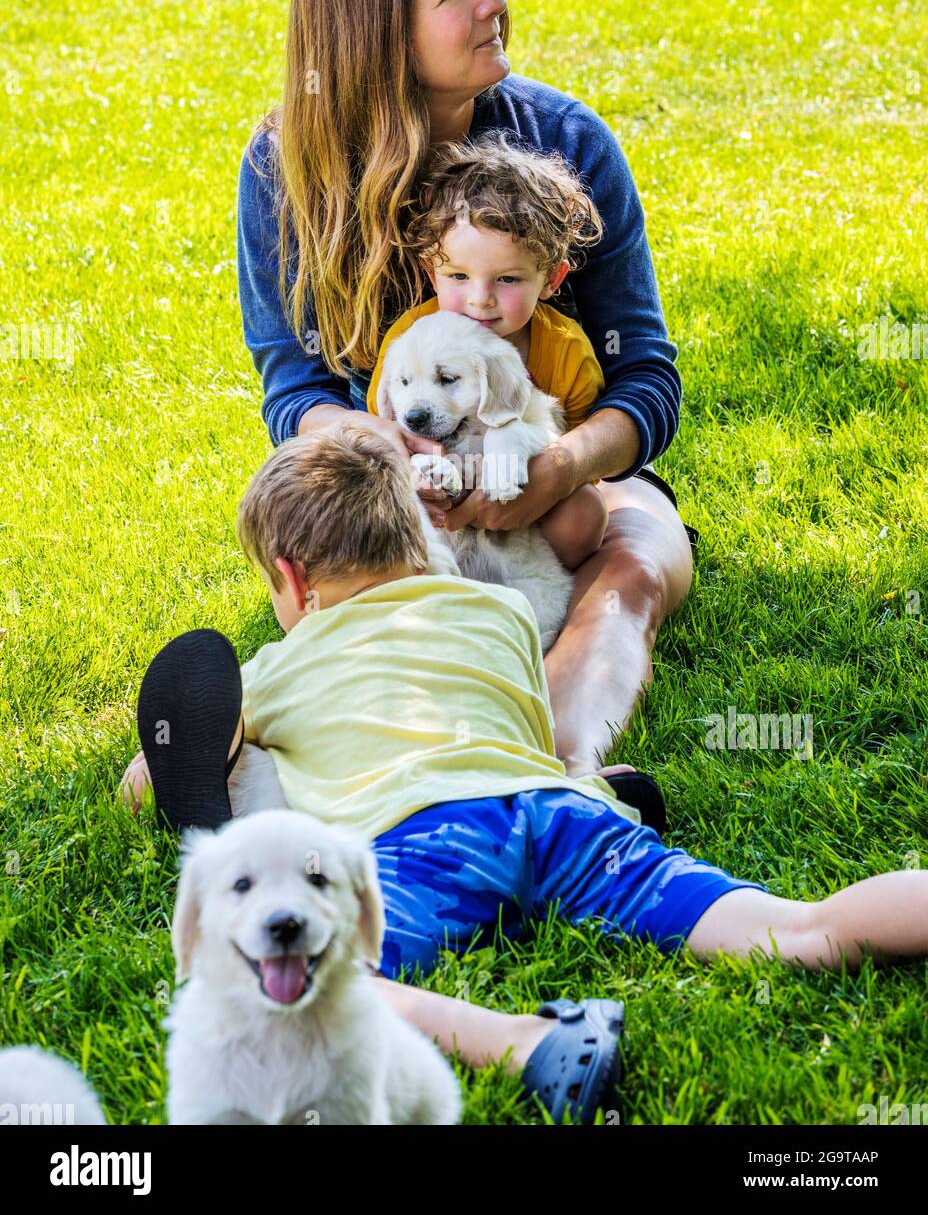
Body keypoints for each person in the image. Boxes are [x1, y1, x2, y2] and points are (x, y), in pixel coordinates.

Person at [123, 429, 928, 1122]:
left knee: (311, 992)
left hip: (423, 839)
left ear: (291, 580)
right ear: (420, 538)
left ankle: (529, 1043)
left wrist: (221, 751)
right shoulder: (499, 614)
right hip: (559, 812)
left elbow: (151, 778)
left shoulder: (276, 665)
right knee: (796, 927)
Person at [237, 0, 695, 779]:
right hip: (388, 488)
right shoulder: (284, 171)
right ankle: (224, 752)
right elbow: (297, 395)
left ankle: (569, 767)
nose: (493, 0)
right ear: (378, 34)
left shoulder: (565, 147)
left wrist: (559, 466)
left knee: (633, 560)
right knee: (363, 597)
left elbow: (645, 377)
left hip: (558, 477)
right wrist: (399, 460)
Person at [365, 130, 613, 575]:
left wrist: (508, 449)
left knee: (584, 514)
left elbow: (573, 456)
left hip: (527, 508)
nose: (480, 299)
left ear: (552, 281)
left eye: (508, 279)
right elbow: (389, 432)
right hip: (435, 505)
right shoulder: (409, 340)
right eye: (459, 276)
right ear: (432, 271)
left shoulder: (566, 350)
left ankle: (539, 594)